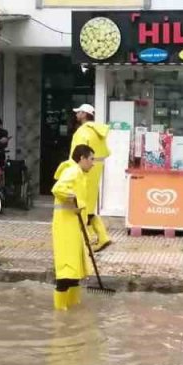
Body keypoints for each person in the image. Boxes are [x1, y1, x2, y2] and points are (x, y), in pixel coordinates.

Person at [51, 144, 97, 311]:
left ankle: (72, 306)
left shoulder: (80, 174)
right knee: (67, 271)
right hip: (65, 228)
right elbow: (58, 189)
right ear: (82, 158)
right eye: (91, 159)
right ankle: (60, 311)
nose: (93, 163)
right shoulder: (72, 171)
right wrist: (74, 198)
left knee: (76, 270)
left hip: (74, 226)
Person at [70, 104, 112, 251]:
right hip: (96, 170)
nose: (76, 114)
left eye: (78, 112)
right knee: (89, 207)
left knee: (81, 206)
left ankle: (85, 242)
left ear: (84, 114)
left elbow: (77, 155)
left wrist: (70, 170)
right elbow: (106, 152)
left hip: (85, 171)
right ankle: (102, 236)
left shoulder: (82, 132)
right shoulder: (98, 131)